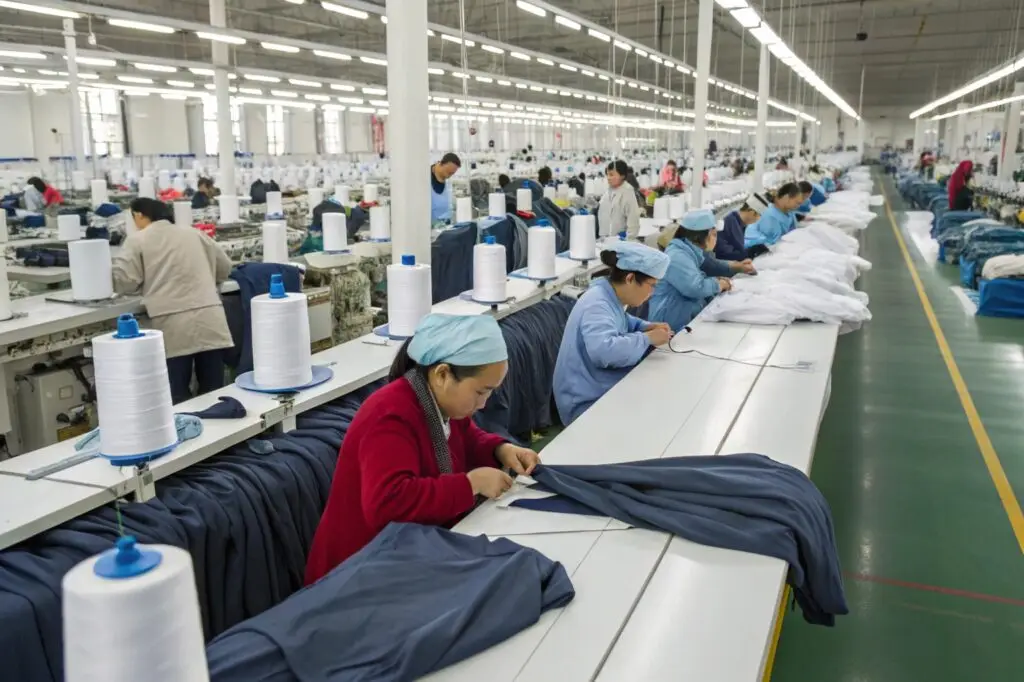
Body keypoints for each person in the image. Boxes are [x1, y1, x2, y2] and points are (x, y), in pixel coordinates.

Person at [304, 314, 541, 582]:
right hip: (356, 571)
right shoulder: (389, 415)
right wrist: (469, 484)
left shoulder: (439, 403)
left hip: (401, 553)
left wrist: (502, 450)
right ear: (442, 375)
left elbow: (467, 438)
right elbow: (388, 503)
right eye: (480, 392)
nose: (484, 403)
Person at [112, 197, 234, 404]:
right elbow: (225, 267)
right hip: (210, 318)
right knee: (214, 392)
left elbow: (125, 281)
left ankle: (189, 433)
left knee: (176, 395)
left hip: (172, 323)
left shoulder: (137, 240)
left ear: (140, 215)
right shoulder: (195, 233)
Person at [553, 241, 672, 426]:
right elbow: (604, 352)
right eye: (651, 285)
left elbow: (621, 321)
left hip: (597, 388)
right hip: (586, 402)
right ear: (630, 278)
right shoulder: (597, 303)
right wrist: (646, 338)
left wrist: (644, 327)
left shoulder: (608, 296)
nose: (652, 292)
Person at [649, 210, 733, 332]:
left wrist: (716, 281)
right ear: (701, 236)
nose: (716, 239)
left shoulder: (690, 253)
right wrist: (718, 284)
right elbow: (694, 288)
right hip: (669, 323)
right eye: (714, 235)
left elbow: (696, 279)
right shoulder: (677, 256)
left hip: (682, 315)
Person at [744, 183, 804, 254]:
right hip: (756, 251)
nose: (798, 206)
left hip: (775, 247)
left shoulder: (789, 212)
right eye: (797, 203)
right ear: (786, 197)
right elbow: (772, 245)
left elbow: (794, 233)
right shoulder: (769, 215)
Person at [597, 160, 642, 239]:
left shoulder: (627, 192)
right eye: (607, 175)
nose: (608, 178)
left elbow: (633, 221)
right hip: (605, 239)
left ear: (622, 176)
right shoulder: (608, 191)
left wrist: (626, 239)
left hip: (620, 241)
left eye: (611, 175)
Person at [717, 193, 768, 261]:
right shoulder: (730, 222)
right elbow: (724, 254)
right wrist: (751, 252)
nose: (758, 220)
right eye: (759, 216)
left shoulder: (739, 222)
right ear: (752, 212)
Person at [430, 152, 461, 222]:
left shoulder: (448, 181)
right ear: (441, 164)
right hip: (429, 227)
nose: (449, 176)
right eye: (448, 172)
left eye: (452, 173)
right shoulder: (426, 177)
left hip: (446, 225)